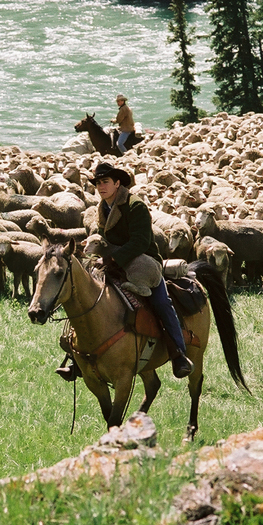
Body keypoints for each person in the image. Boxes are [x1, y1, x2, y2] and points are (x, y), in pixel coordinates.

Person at [86, 162, 194, 378]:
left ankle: (179, 353)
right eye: (98, 183)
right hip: (113, 262)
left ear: (117, 183)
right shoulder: (102, 208)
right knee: (86, 296)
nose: (101, 187)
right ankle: (77, 355)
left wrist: (114, 258)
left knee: (162, 303)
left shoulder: (136, 206)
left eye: (105, 182)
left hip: (143, 262)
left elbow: (141, 241)